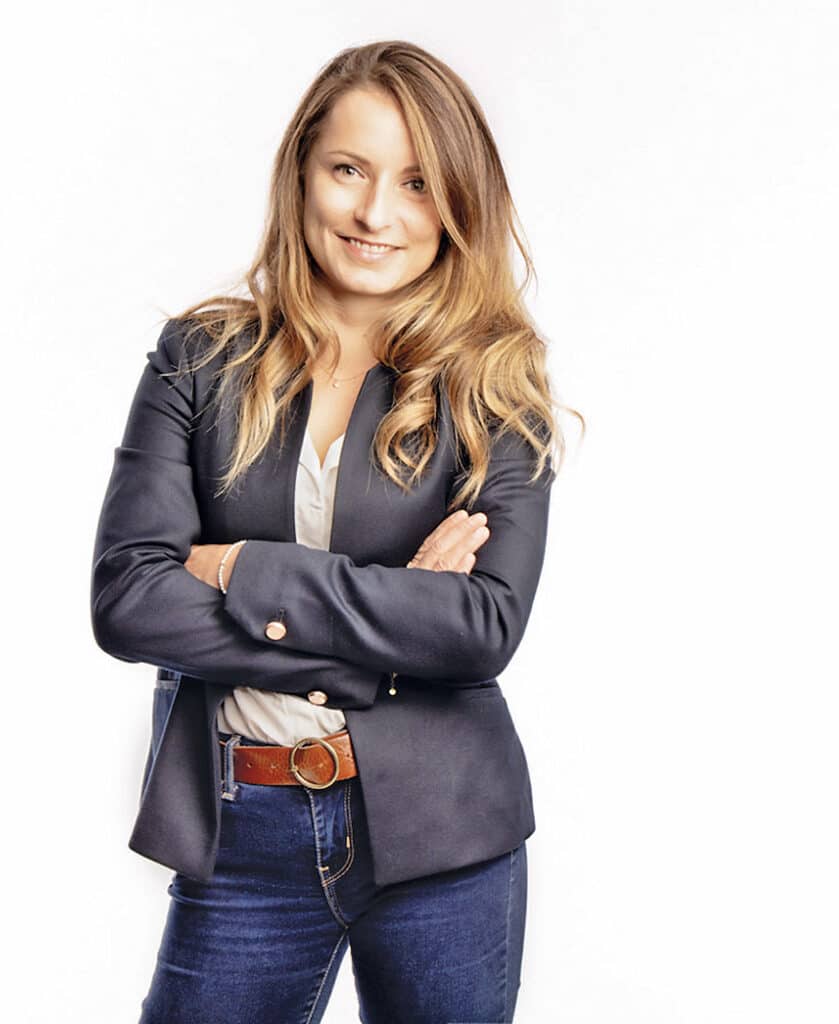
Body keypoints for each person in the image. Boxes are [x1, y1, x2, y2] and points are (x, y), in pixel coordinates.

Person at [91, 39, 576, 1024]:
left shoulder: (494, 379)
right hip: (241, 827)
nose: (374, 213)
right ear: (302, 171)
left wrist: (239, 568)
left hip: (446, 835)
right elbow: (129, 600)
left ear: (457, 200)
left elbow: (481, 627)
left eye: (416, 182)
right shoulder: (201, 356)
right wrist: (386, 634)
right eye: (348, 169)